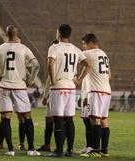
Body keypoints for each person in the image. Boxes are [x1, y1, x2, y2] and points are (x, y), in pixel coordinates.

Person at [0, 25, 40, 156]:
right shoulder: (23, 48)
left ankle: (10, 149)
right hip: (19, 87)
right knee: (27, 117)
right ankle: (31, 149)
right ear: (17, 34)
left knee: (5, 117)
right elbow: (37, 65)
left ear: (5, 35)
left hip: (5, 87)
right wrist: (31, 80)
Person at [46, 24, 90, 157]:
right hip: (71, 87)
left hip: (59, 86)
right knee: (69, 119)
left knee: (58, 119)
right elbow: (88, 65)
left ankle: (59, 150)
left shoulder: (54, 47)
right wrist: (79, 80)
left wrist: (53, 81)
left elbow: (50, 63)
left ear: (58, 33)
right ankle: (69, 150)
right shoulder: (76, 49)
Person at [80, 33, 111, 158]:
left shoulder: (89, 53)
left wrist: (78, 80)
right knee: (104, 120)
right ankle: (104, 150)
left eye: (84, 44)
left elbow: (75, 58)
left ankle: (95, 150)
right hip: (106, 90)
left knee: (95, 119)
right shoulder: (104, 54)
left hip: (96, 90)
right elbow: (109, 75)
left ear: (91, 43)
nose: (83, 47)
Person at [37, 40, 59, 152]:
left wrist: (45, 96)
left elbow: (50, 80)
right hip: (64, 91)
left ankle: (55, 146)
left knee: (55, 120)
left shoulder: (55, 60)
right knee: (53, 120)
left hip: (56, 91)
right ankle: (49, 145)